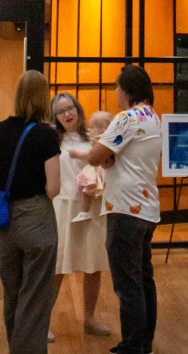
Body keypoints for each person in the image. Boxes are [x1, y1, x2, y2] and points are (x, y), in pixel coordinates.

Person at [0, 70, 61, 354]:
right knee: (36, 294)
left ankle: (15, 346)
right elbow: (54, 187)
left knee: (12, 291)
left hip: (3, 221)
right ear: (43, 98)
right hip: (36, 217)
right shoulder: (46, 135)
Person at [87, 65, 162, 354]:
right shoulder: (152, 117)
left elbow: (96, 157)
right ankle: (144, 342)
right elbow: (122, 157)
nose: (115, 92)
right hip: (146, 208)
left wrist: (94, 147)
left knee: (127, 284)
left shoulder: (127, 118)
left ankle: (132, 346)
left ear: (127, 89)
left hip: (124, 209)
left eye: (117, 87)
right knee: (143, 278)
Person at [51, 92, 111, 337]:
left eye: (70, 108)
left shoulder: (92, 135)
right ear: (55, 116)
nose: (67, 113)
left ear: (78, 109)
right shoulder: (53, 140)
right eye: (61, 111)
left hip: (92, 208)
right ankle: (42, 321)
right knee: (57, 267)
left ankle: (89, 318)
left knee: (93, 266)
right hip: (64, 206)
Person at [69, 110, 113, 223]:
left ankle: (85, 211)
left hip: (97, 169)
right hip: (104, 170)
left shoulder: (99, 141)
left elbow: (91, 154)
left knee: (86, 189)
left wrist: (76, 154)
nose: (89, 130)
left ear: (102, 128)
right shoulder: (109, 140)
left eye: (92, 127)